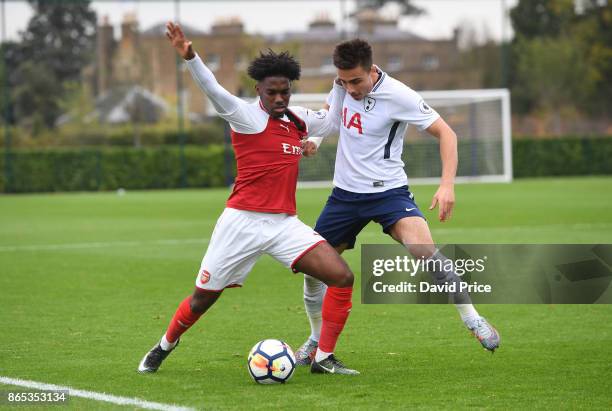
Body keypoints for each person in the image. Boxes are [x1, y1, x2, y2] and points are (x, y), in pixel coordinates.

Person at [138, 22, 359, 375]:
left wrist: (338, 83)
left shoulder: (297, 120)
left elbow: (331, 122)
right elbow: (212, 89)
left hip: (284, 224)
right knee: (202, 299)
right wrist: (191, 56)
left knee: (342, 276)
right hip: (241, 221)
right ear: (259, 90)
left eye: (284, 92)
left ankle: (322, 358)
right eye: (272, 93)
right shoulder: (244, 116)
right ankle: (165, 345)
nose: (278, 99)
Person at [295, 38, 500, 365]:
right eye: (344, 81)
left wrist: (447, 185)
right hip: (345, 196)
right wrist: (316, 140)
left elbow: (448, 134)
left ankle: (471, 316)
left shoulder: (399, 95)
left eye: (356, 81)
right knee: (314, 270)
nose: (350, 88)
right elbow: (330, 118)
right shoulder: (341, 85)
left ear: (372, 70)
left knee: (424, 250)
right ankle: (315, 339)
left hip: (389, 193)